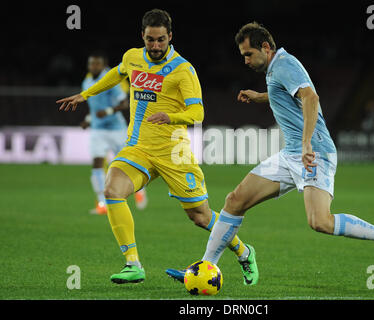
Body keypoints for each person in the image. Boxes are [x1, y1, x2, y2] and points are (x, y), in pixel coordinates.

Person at [195, 22, 374, 284]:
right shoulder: (275, 70)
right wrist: (261, 96)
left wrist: (307, 144)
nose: (246, 61)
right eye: (243, 56)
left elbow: (311, 98)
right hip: (291, 155)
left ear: (265, 47)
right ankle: (205, 268)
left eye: (248, 54)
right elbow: (288, 95)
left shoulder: (285, 63)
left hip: (314, 152)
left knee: (320, 221)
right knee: (235, 200)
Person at [56, 9, 254, 284]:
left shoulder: (183, 70)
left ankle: (244, 252)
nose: (156, 45)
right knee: (112, 189)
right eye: (150, 40)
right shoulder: (132, 57)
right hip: (138, 148)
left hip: (174, 152)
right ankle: (133, 264)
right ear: (143, 36)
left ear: (170, 37)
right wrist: (85, 94)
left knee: (200, 216)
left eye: (161, 40)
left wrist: (170, 116)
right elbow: (117, 73)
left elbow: (198, 114)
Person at [80, 52, 147, 215]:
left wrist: (109, 111)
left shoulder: (111, 80)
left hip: (117, 129)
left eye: (97, 64)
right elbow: (94, 107)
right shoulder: (87, 81)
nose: (93, 67)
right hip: (98, 130)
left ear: (103, 65)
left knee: (127, 165)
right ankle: (102, 203)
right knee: (97, 163)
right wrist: (88, 119)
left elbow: (125, 103)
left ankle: (139, 191)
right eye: (91, 64)